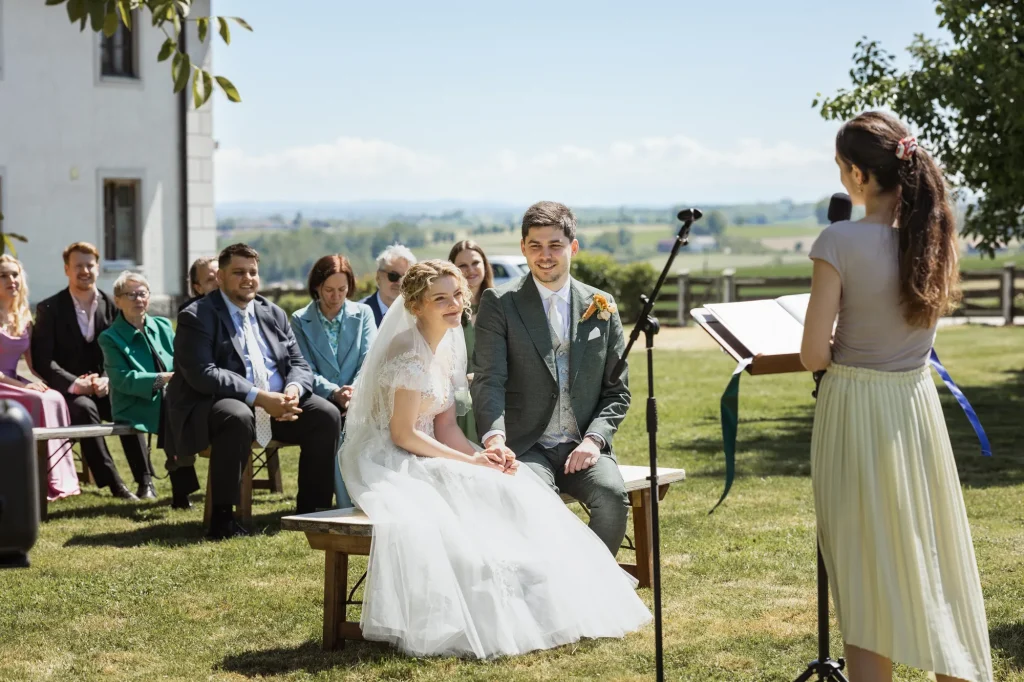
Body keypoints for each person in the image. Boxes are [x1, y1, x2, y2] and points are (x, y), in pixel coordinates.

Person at [339, 259, 650, 658]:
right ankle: (486, 605)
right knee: (469, 497)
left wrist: (486, 454)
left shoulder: (449, 346)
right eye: (440, 299)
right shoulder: (408, 353)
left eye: (457, 296)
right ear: (416, 305)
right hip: (391, 458)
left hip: (429, 447)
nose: (453, 305)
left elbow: (446, 426)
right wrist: (467, 464)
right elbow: (403, 433)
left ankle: (542, 596)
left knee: (509, 481)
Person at [800, 112, 992, 682]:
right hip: (914, 407)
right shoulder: (933, 237)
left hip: (856, 409)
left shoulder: (838, 240)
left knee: (863, 569)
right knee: (930, 553)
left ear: (859, 174)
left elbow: (814, 354)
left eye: (841, 168)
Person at [472, 201, 631, 555]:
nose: (545, 256)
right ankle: (547, 592)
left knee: (612, 497)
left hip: (583, 446)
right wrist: (495, 438)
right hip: (527, 446)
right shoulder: (499, 303)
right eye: (536, 246)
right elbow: (489, 379)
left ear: (573, 247)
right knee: (534, 503)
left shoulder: (601, 304)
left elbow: (617, 390)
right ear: (523, 248)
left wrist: (594, 441)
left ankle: (589, 586)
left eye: (555, 245)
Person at [165, 243, 342, 540]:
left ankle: (312, 512)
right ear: (219, 277)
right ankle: (223, 518)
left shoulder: (272, 312)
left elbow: (298, 362)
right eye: (238, 272)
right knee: (236, 415)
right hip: (216, 408)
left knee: (326, 414)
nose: (247, 278)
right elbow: (203, 374)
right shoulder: (196, 315)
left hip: (276, 404)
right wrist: (259, 398)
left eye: (253, 272)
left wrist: (293, 391)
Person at [31, 242, 155, 500]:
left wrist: (108, 379)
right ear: (67, 269)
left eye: (90, 265)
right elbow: (44, 362)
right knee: (85, 408)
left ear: (98, 268)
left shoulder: (113, 305)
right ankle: (114, 484)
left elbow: (124, 351)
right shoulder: (49, 309)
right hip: (69, 392)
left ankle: (146, 482)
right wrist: (76, 383)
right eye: (78, 266)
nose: (84, 271)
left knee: (128, 403)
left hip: (107, 385)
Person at [98, 271, 199, 510]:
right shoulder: (110, 337)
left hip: (170, 399)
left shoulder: (163, 325)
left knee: (182, 406)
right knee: (174, 409)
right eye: (130, 294)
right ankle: (181, 490)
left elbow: (181, 360)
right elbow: (122, 380)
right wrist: (162, 380)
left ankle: (182, 487)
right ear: (117, 300)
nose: (137, 299)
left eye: (142, 293)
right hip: (134, 403)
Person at [291, 254, 376, 507]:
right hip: (321, 397)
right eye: (329, 290)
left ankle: (362, 496)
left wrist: (354, 391)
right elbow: (303, 367)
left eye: (342, 289)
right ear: (316, 287)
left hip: (359, 395)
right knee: (327, 420)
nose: (336, 296)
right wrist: (334, 392)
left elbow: (369, 359)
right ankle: (321, 502)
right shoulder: (299, 319)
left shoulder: (364, 314)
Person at [0, 255, 79, 501]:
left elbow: (33, 366)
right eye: (3, 275)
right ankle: (32, 477)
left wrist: (62, 383)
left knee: (53, 397)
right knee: (37, 400)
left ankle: (58, 477)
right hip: (3, 383)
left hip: (13, 381)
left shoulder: (24, 317)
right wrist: (27, 386)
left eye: (15, 274)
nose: (11, 280)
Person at [447, 240, 494, 443]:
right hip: (456, 385)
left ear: (485, 265)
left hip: (494, 382)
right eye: (462, 266)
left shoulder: (499, 305)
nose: (470, 270)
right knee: (462, 400)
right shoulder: (446, 309)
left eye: (475, 263)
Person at [360, 244, 416, 327]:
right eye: (393, 276)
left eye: (405, 278)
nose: (399, 282)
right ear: (378, 277)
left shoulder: (416, 314)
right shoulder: (359, 313)